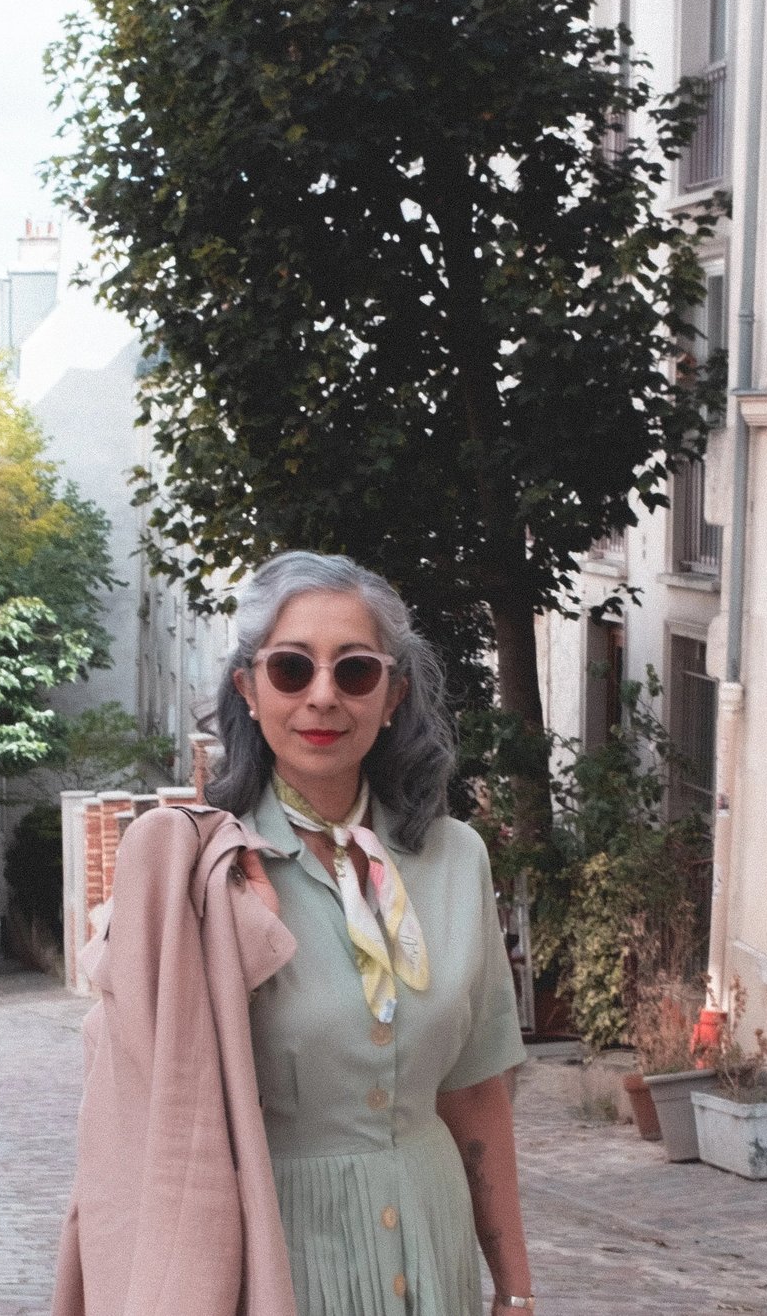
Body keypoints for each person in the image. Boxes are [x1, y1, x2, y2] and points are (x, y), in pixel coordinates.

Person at [211, 549, 534, 1316]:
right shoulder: (203, 871)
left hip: (432, 1238)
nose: (322, 696)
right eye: (291, 669)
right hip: (277, 1256)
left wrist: (515, 1290)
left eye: (354, 671)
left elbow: (476, 1091)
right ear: (248, 690)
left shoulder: (455, 859)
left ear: (391, 695)